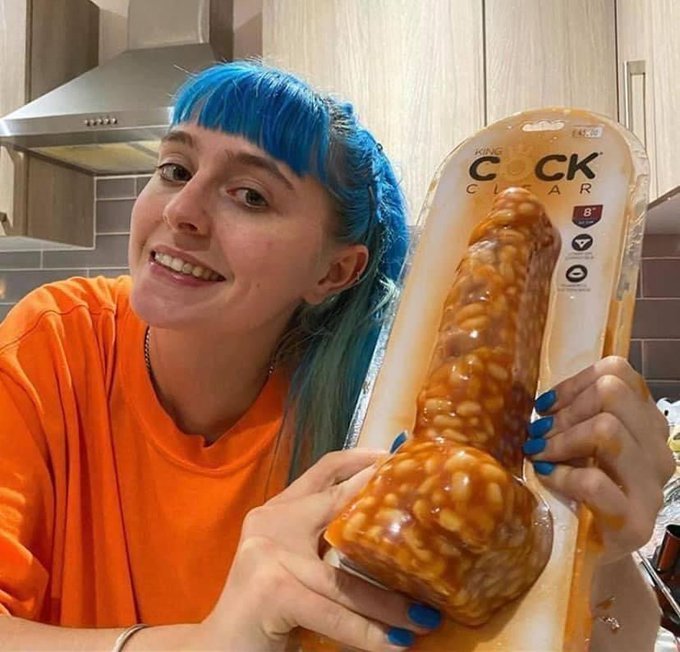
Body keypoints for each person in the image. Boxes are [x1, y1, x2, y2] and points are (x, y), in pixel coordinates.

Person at [0, 61, 673, 652]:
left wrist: (600, 557)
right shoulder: (55, 344)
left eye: (250, 195)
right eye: (175, 169)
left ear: (334, 272)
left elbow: (590, 635)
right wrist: (208, 642)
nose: (182, 210)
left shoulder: (382, 412)